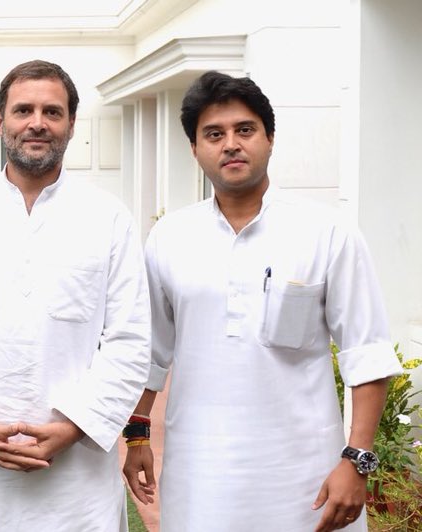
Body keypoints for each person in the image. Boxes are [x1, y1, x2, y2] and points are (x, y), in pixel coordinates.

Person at [122, 71, 403, 532]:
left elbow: (366, 352)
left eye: (245, 130)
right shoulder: (170, 237)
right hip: (200, 473)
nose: (231, 144)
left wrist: (357, 460)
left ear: (270, 139)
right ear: (195, 149)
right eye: (214, 134)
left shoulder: (327, 232)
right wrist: (137, 435)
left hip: (306, 474)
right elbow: (150, 350)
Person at [0, 59, 151, 531]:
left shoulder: (108, 218)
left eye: (52, 112)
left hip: (79, 483)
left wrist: (73, 427)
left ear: (71, 123)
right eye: (23, 110)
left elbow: (129, 340)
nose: (37, 123)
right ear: (0, 119)